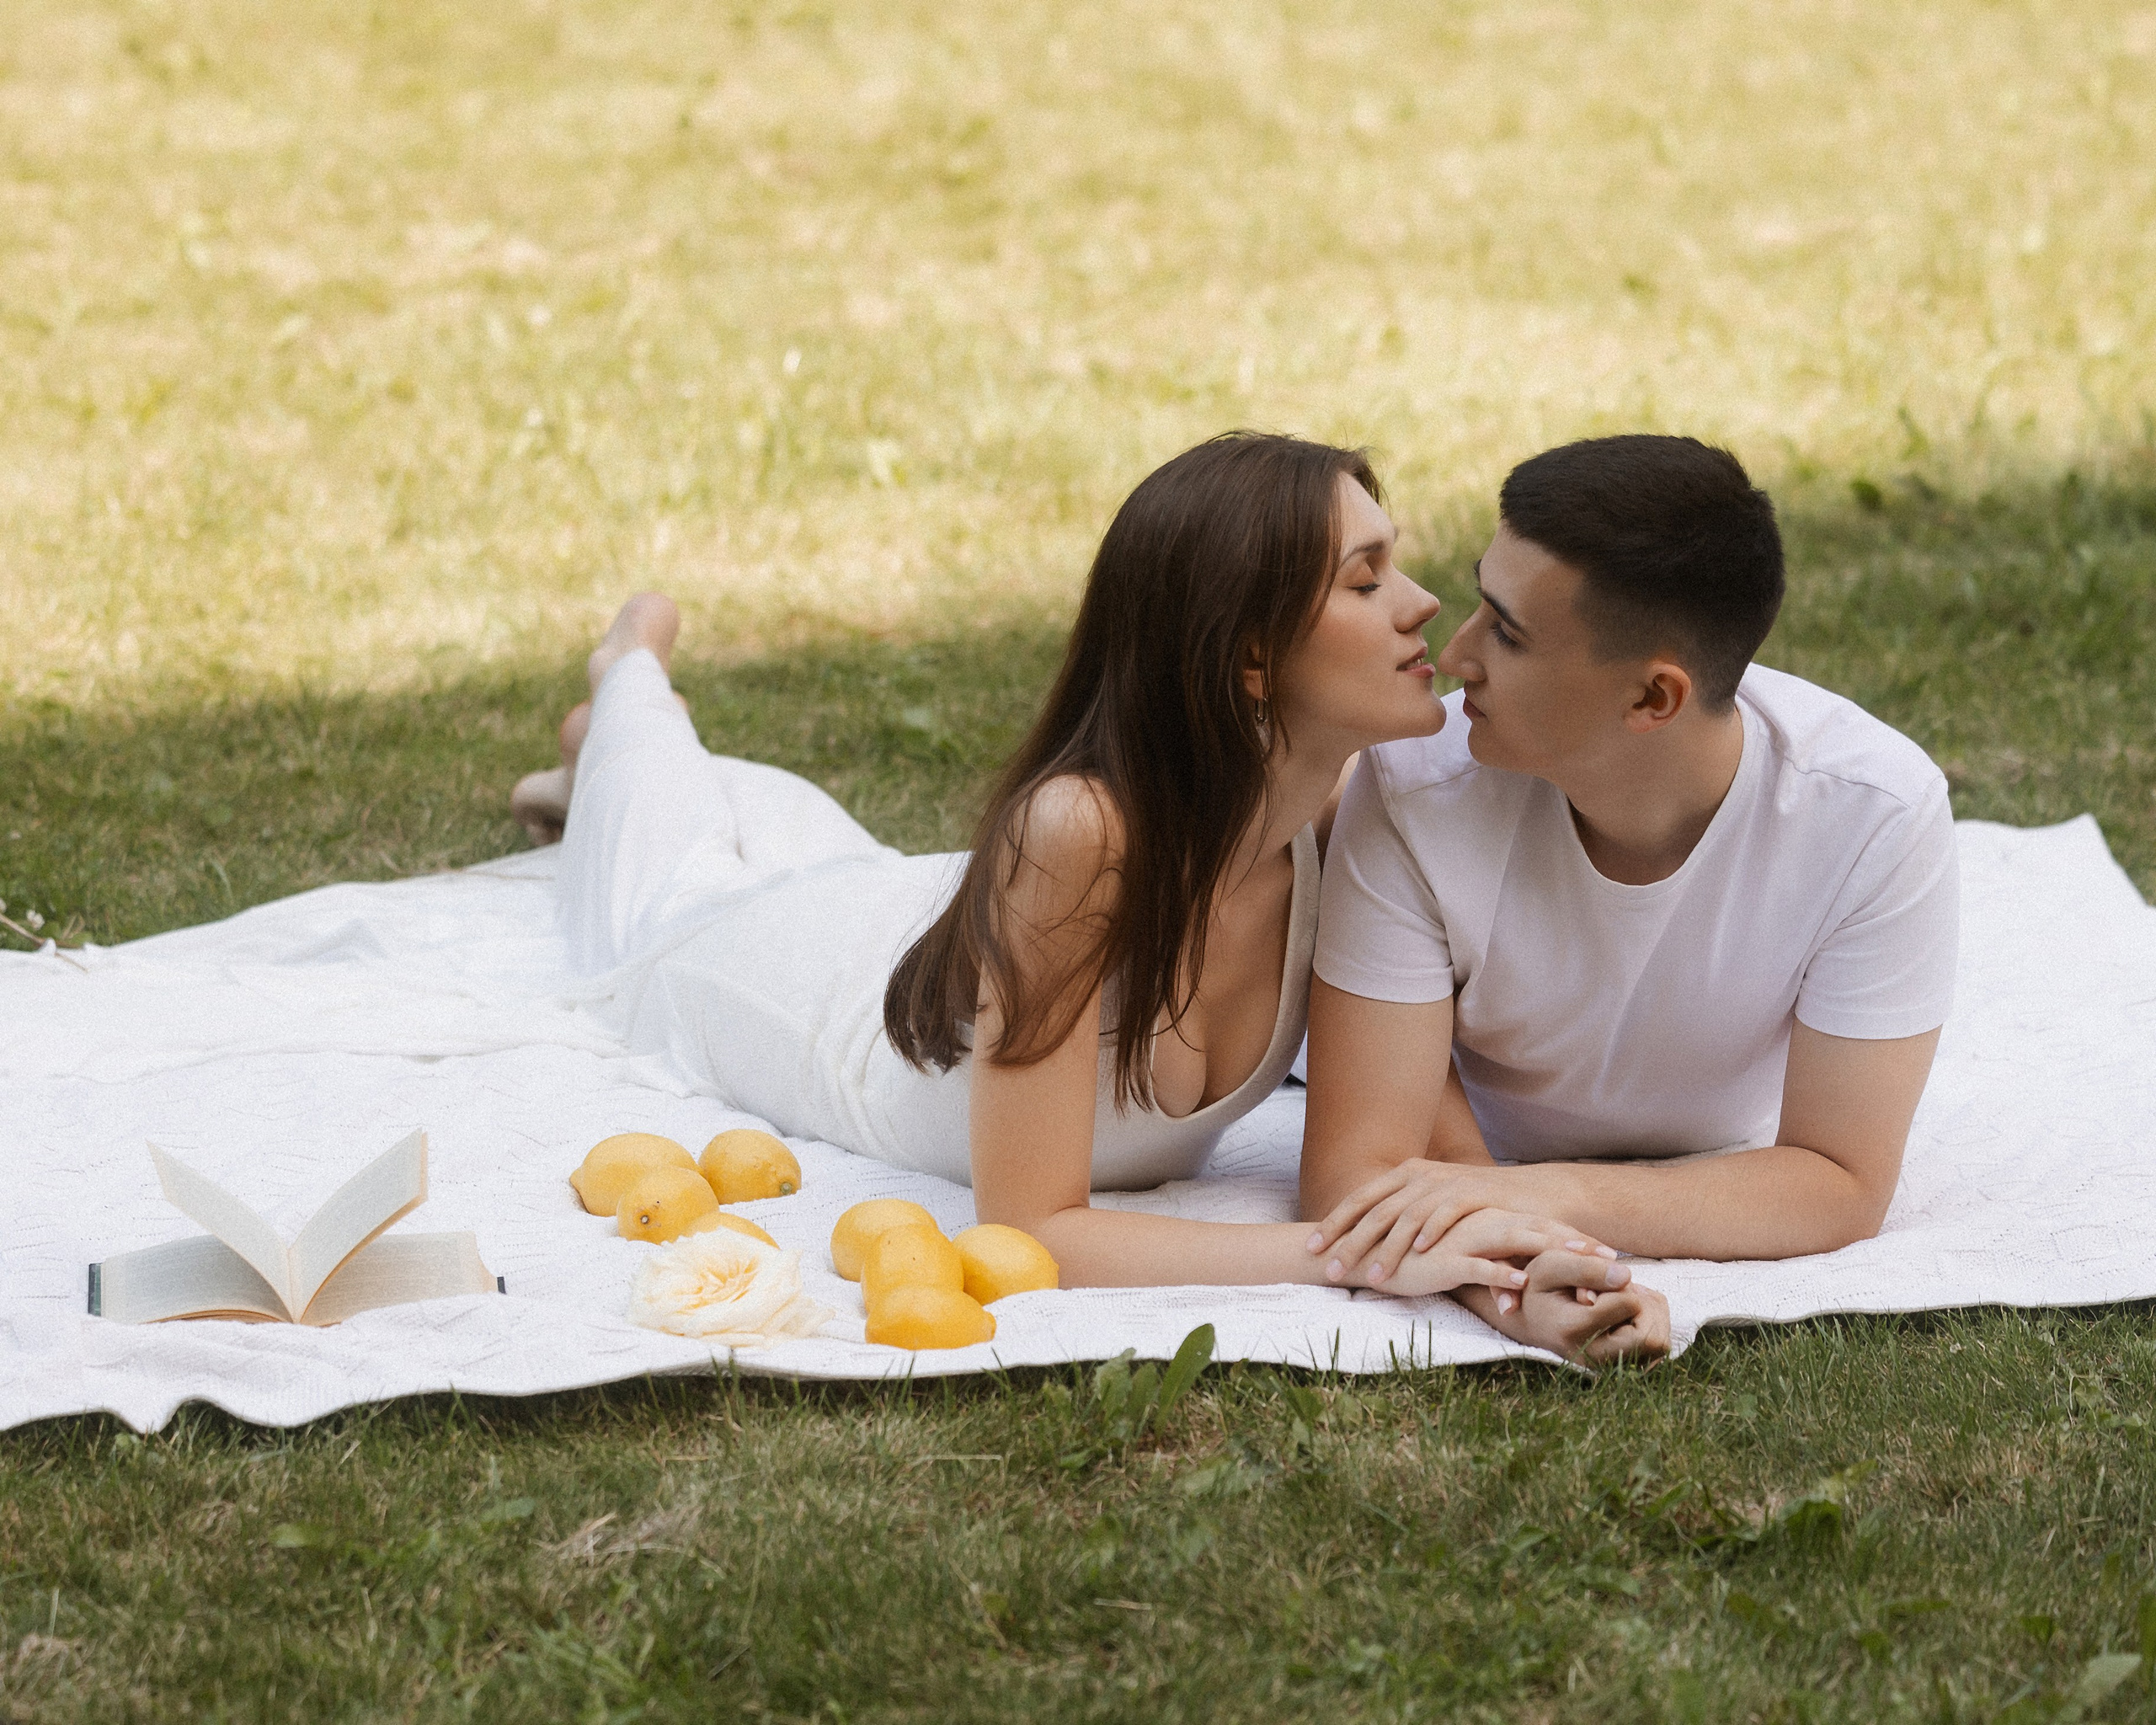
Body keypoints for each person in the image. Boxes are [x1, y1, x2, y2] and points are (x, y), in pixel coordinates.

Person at [514, 431, 1662, 1361]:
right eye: (1366, 579)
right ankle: (623, 684)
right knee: (665, 872)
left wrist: (1541, 1285)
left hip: (927, 910)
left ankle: (602, 758)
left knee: (769, 822)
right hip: (786, 988)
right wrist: (1344, 1256)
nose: (1421, 606)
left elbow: (1437, 1152)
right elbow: (1030, 1227)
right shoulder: (1075, 836)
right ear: (1250, 664)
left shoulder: (1351, 818)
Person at [1299, 435, 1959, 1342]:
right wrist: (1517, 1275)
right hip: (1452, 1092)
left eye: (1508, 631)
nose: (1454, 654)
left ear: (1653, 699)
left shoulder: (1873, 812)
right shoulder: (1413, 779)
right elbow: (1358, 1168)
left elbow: (1835, 1180)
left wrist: (1539, 1192)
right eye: (1480, 601)